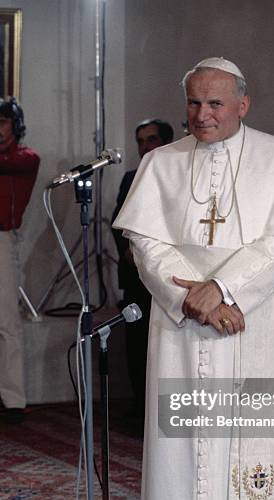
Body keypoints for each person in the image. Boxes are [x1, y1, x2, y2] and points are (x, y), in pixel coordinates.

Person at [113, 57, 274, 500]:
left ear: (243, 105)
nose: (203, 115)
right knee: (181, 453)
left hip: (248, 326)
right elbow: (144, 242)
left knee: (251, 451)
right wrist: (191, 298)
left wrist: (224, 289)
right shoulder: (160, 163)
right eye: (194, 104)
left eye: (215, 104)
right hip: (180, 329)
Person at [111, 119, 173, 414]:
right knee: (136, 345)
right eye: (140, 141)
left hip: (167, 277)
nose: (145, 147)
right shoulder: (130, 178)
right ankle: (140, 410)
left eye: (151, 140)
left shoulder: (178, 175)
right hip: (136, 275)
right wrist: (126, 250)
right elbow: (118, 222)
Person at [0, 98, 40, 423]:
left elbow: (15, 163)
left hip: (3, 237)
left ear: (15, 125)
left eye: (3, 122)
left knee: (7, 323)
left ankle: (13, 400)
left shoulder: (27, 158)